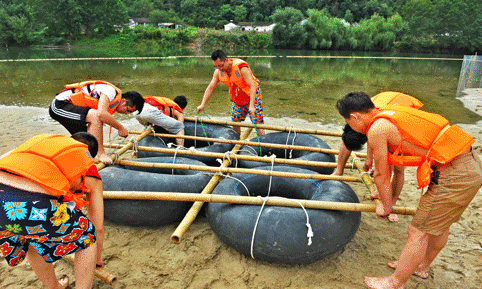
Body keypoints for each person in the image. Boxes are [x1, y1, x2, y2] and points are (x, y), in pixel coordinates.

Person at [336, 92, 482, 289]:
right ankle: (420, 266)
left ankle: (396, 282)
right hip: (469, 164)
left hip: (455, 173)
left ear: (355, 117)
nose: (352, 127)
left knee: (417, 232)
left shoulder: (377, 128)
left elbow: (381, 174)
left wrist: (387, 206)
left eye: (348, 122)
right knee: (439, 226)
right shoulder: (388, 112)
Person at [0, 134, 100, 289]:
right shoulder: (84, 161)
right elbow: (98, 226)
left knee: (29, 237)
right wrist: (97, 258)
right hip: (29, 203)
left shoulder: (44, 140)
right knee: (88, 235)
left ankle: (53, 286)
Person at [332, 92, 423, 222]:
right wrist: (369, 158)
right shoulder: (365, 114)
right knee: (381, 158)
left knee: (398, 168)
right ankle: (339, 171)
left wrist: (386, 205)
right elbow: (372, 135)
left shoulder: (381, 123)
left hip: (403, 110)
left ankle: (392, 203)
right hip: (386, 108)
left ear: (354, 117)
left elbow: (383, 170)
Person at [49, 80, 145, 165]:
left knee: (86, 141)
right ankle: (100, 154)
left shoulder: (113, 99)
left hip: (71, 109)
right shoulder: (110, 91)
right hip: (59, 106)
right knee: (96, 117)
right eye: (128, 110)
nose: (126, 113)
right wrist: (121, 128)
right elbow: (101, 114)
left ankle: (76, 161)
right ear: (124, 101)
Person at [196, 49, 265, 136]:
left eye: (220, 66)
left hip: (252, 95)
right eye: (216, 66)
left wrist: (252, 105)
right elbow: (210, 88)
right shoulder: (218, 72)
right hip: (238, 97)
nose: (219, 69)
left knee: (257, 122)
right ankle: (237, 141)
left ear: (226, 60)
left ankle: (264, 145)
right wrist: (202, 104)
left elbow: (252, 86)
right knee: (235, 121)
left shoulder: (241, 67)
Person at [71, 132, 105, 269]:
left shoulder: (52, 149)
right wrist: (98, 259)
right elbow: (98, 228)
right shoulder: (91, 173)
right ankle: (93, 261)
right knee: (85, 232)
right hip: (40, 206)